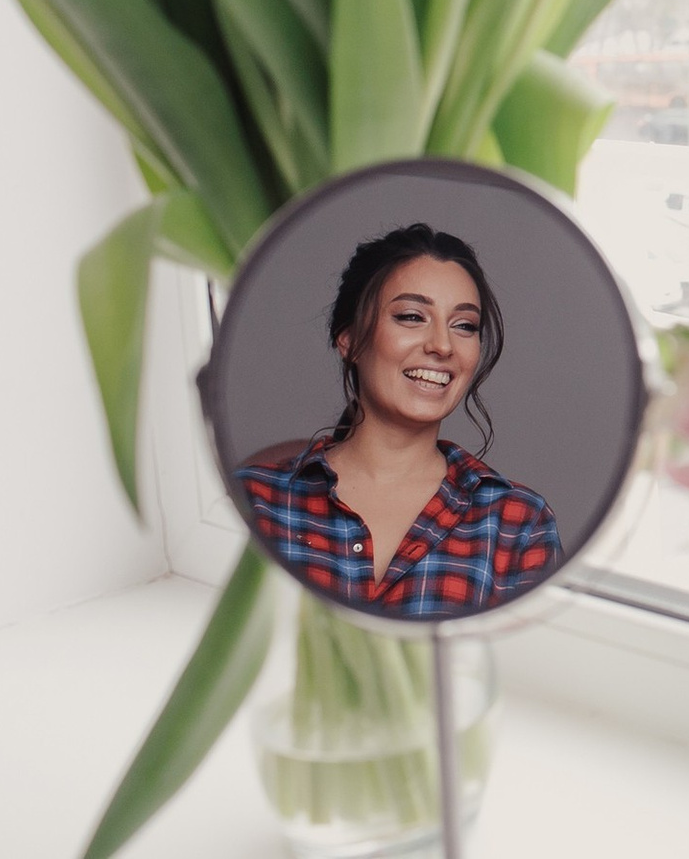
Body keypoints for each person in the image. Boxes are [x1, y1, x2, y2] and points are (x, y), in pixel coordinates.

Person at [237, 224, 562, 617]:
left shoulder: (519, 524)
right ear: (349, 340)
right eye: (411, 316)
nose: (442, 345)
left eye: (464, 325)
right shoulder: (255, 499)